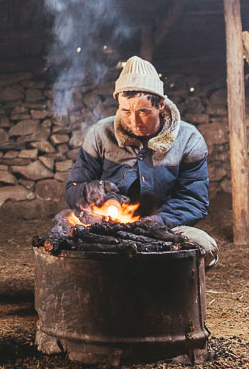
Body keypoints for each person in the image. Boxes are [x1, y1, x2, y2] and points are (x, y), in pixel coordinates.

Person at [65, 56, 220, 265]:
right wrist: (88, 191)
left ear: (161, 105)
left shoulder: (189, 139)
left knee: (204, 247)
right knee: (64, 237)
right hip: (107, 227)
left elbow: (193, 201)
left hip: (164, 228)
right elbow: (72, 189)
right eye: (126, 111)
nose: (134, 122)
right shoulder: (100, 134)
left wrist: (154, 223)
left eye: (143, 112)